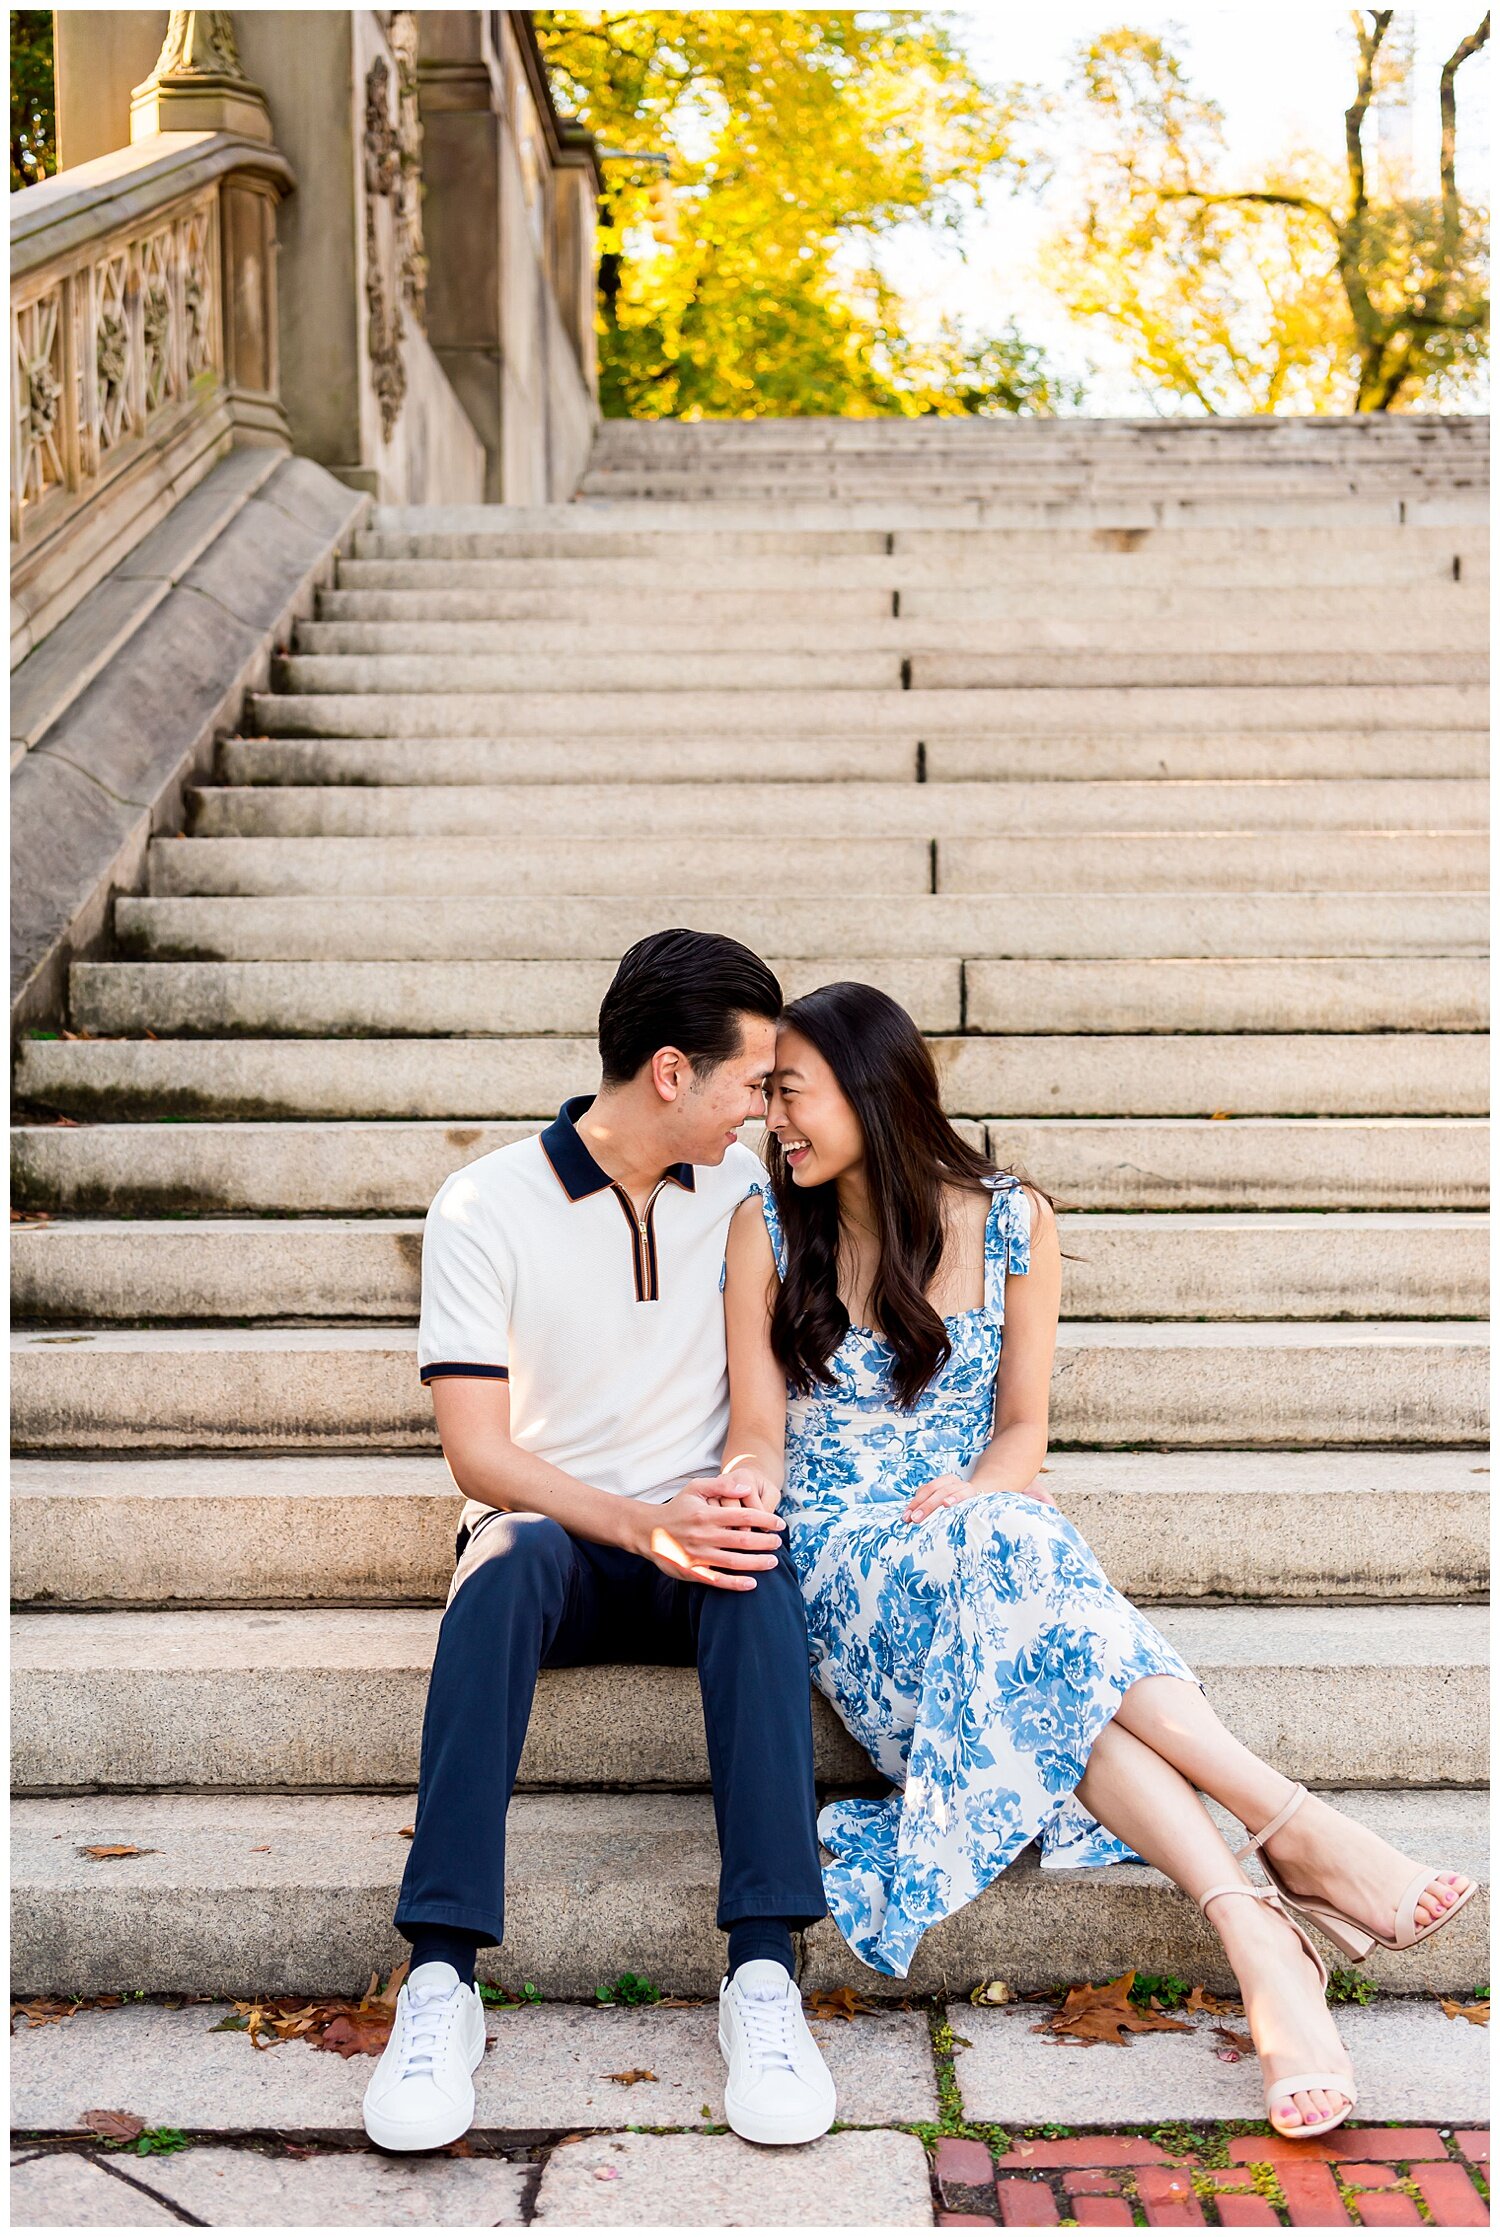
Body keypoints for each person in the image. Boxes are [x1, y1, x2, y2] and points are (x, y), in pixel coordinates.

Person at [717, 980, 1475, 2145]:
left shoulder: (1014, 1218)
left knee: (1012, 1546)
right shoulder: (764, 1228)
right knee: (1020, 1558)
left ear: (872, 1091)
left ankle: (1254, 1929)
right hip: (847, 1570)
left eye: (792, 1091)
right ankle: (1290, 1827)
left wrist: (976, 1490)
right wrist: (749, 1487)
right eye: (767, 1094)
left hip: (974, 1533)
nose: (775, 1117)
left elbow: (1023, 1427)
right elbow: (759, 1431)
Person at [363, 930, 836, 2154]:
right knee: (503, 1557)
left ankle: (766, 1974)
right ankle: (440, 1976)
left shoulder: (747, 1199)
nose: (764, 1111)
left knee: (753, 1569)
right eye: (751, 1082)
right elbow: (479, 1451)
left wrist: (735, 1490)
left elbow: (757, 1406)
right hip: (559, 1541)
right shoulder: (488, 1202)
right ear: (673, 1072)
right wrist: (638, 1520)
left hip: (692, 1538)